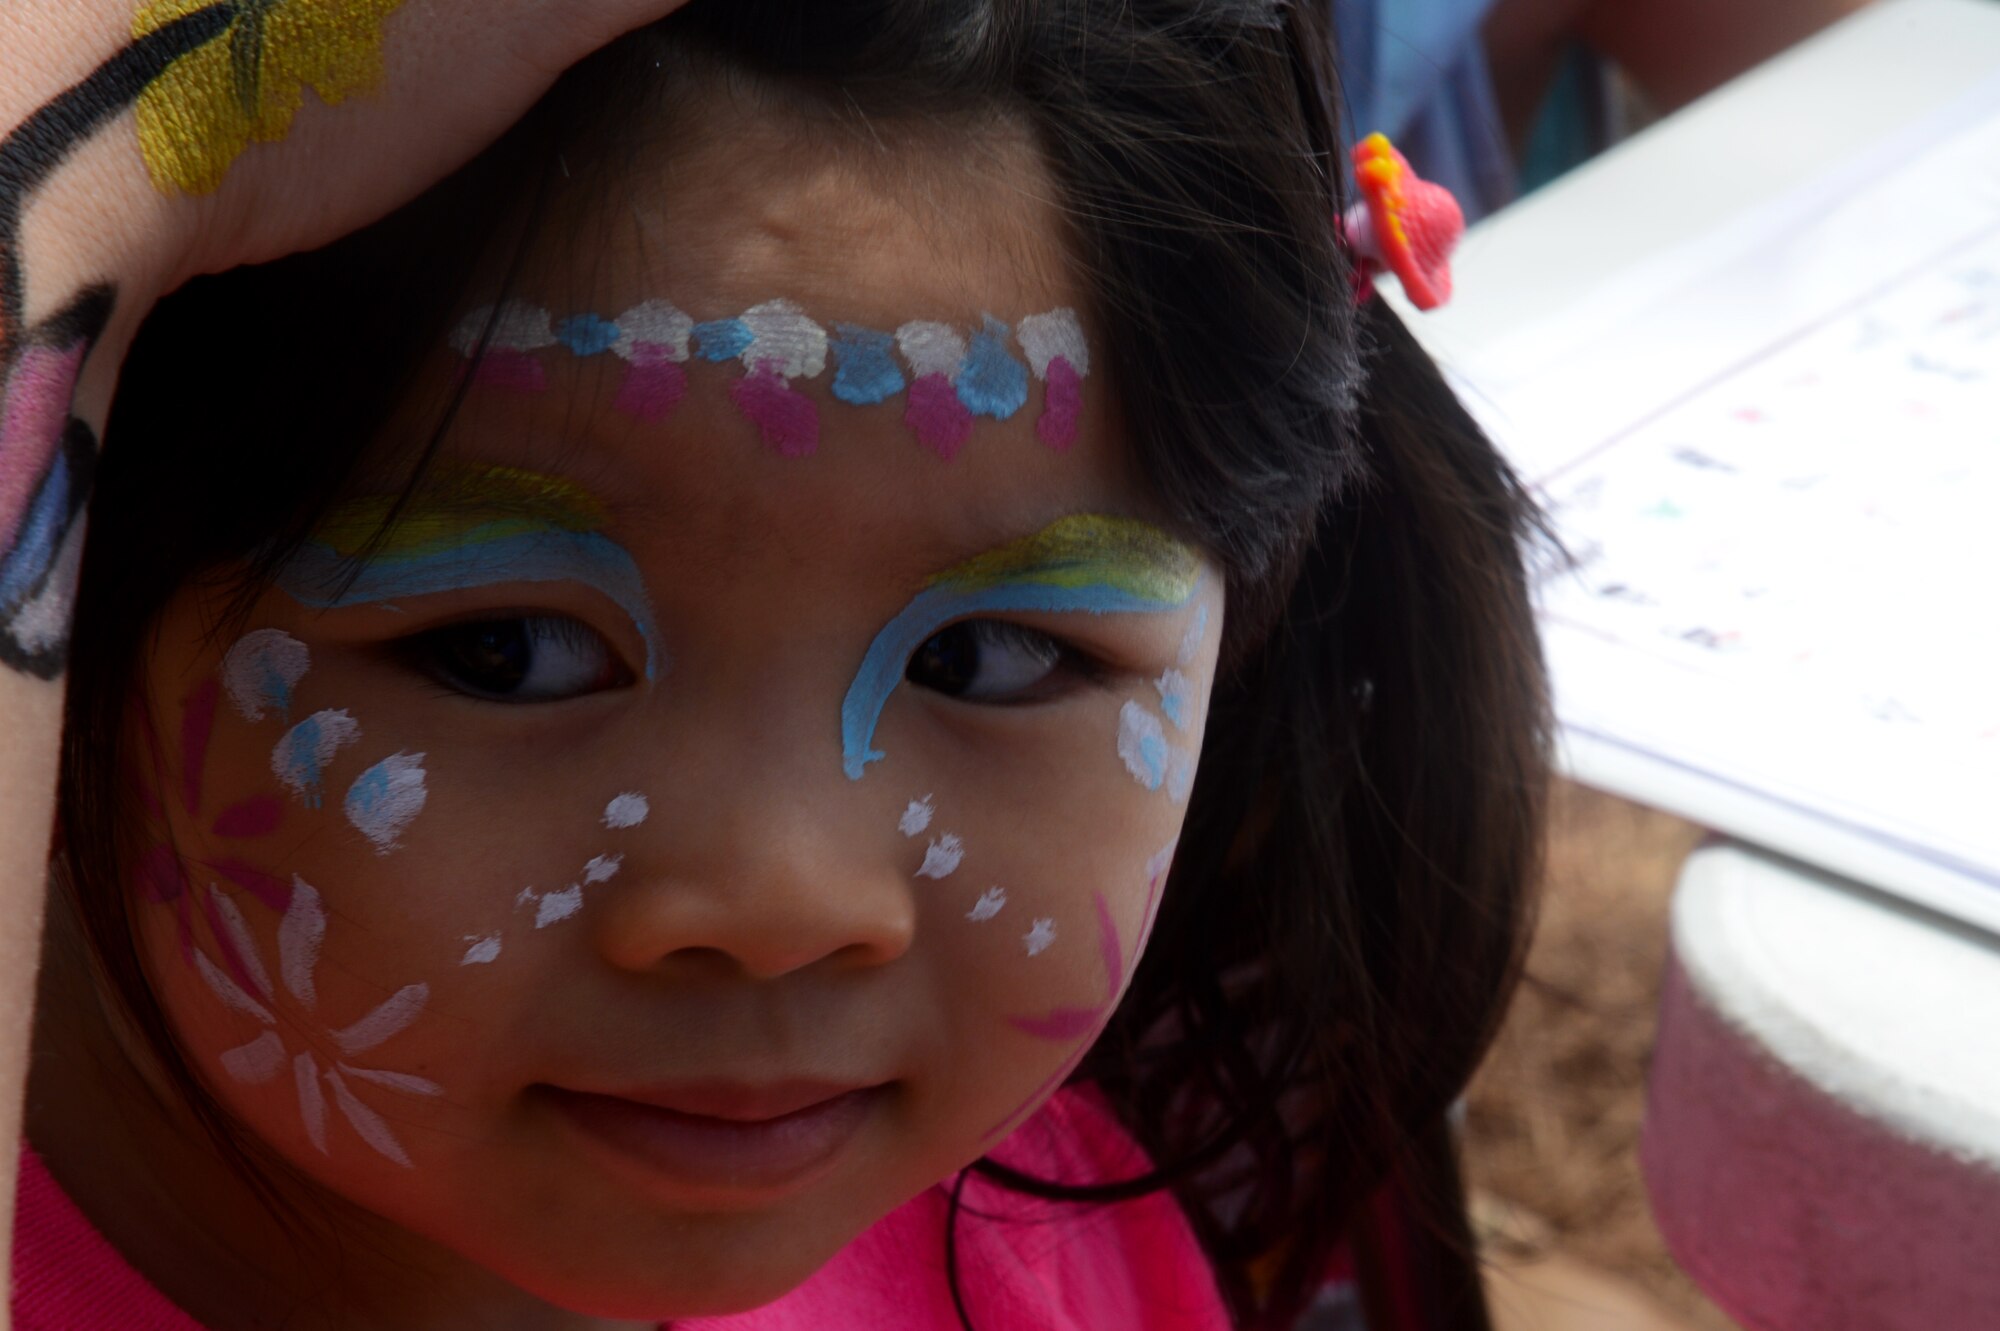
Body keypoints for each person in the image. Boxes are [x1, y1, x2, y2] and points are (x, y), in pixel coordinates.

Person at [0, 0, 1550, 1327]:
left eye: (998, 655)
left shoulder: (1047, 1239)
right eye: (505, 651)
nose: (781, 907)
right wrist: (60, 180)